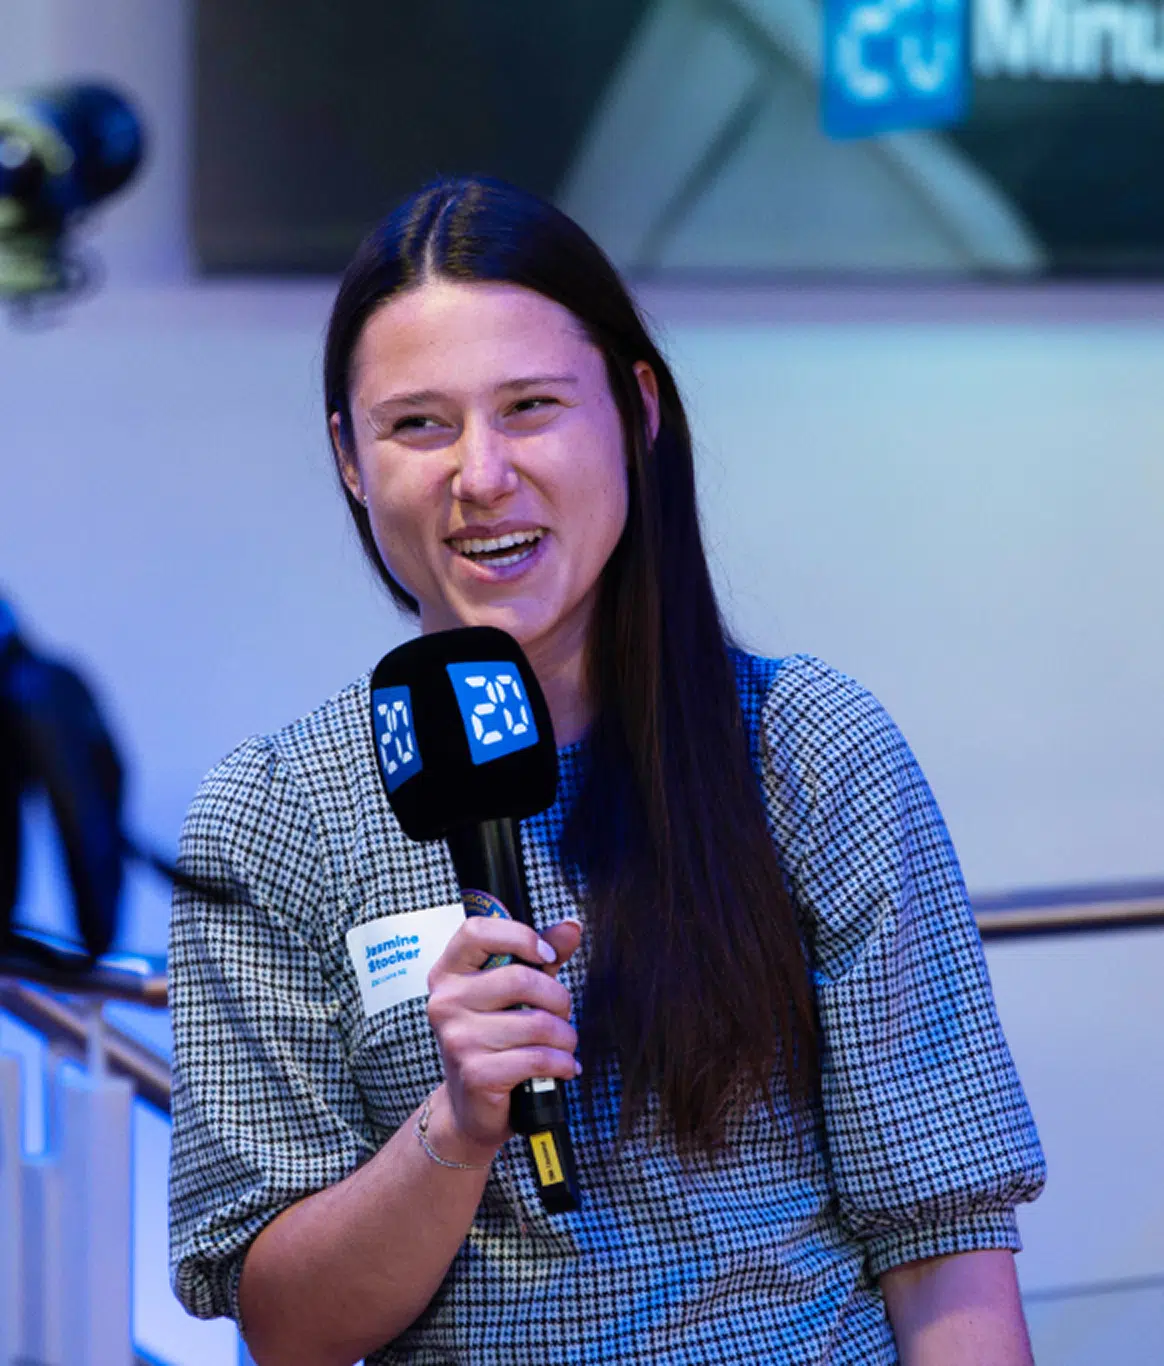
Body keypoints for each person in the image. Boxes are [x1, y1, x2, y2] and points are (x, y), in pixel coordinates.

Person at [168, 177, 1045, 1366]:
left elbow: (946, 1250)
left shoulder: (809, 747)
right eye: (419, 425)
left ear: (636, 410)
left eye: (530, 407)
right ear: (350, 459)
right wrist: (457, 1123)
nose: (482, 475)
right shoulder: (272, 816)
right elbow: (287, 1326)